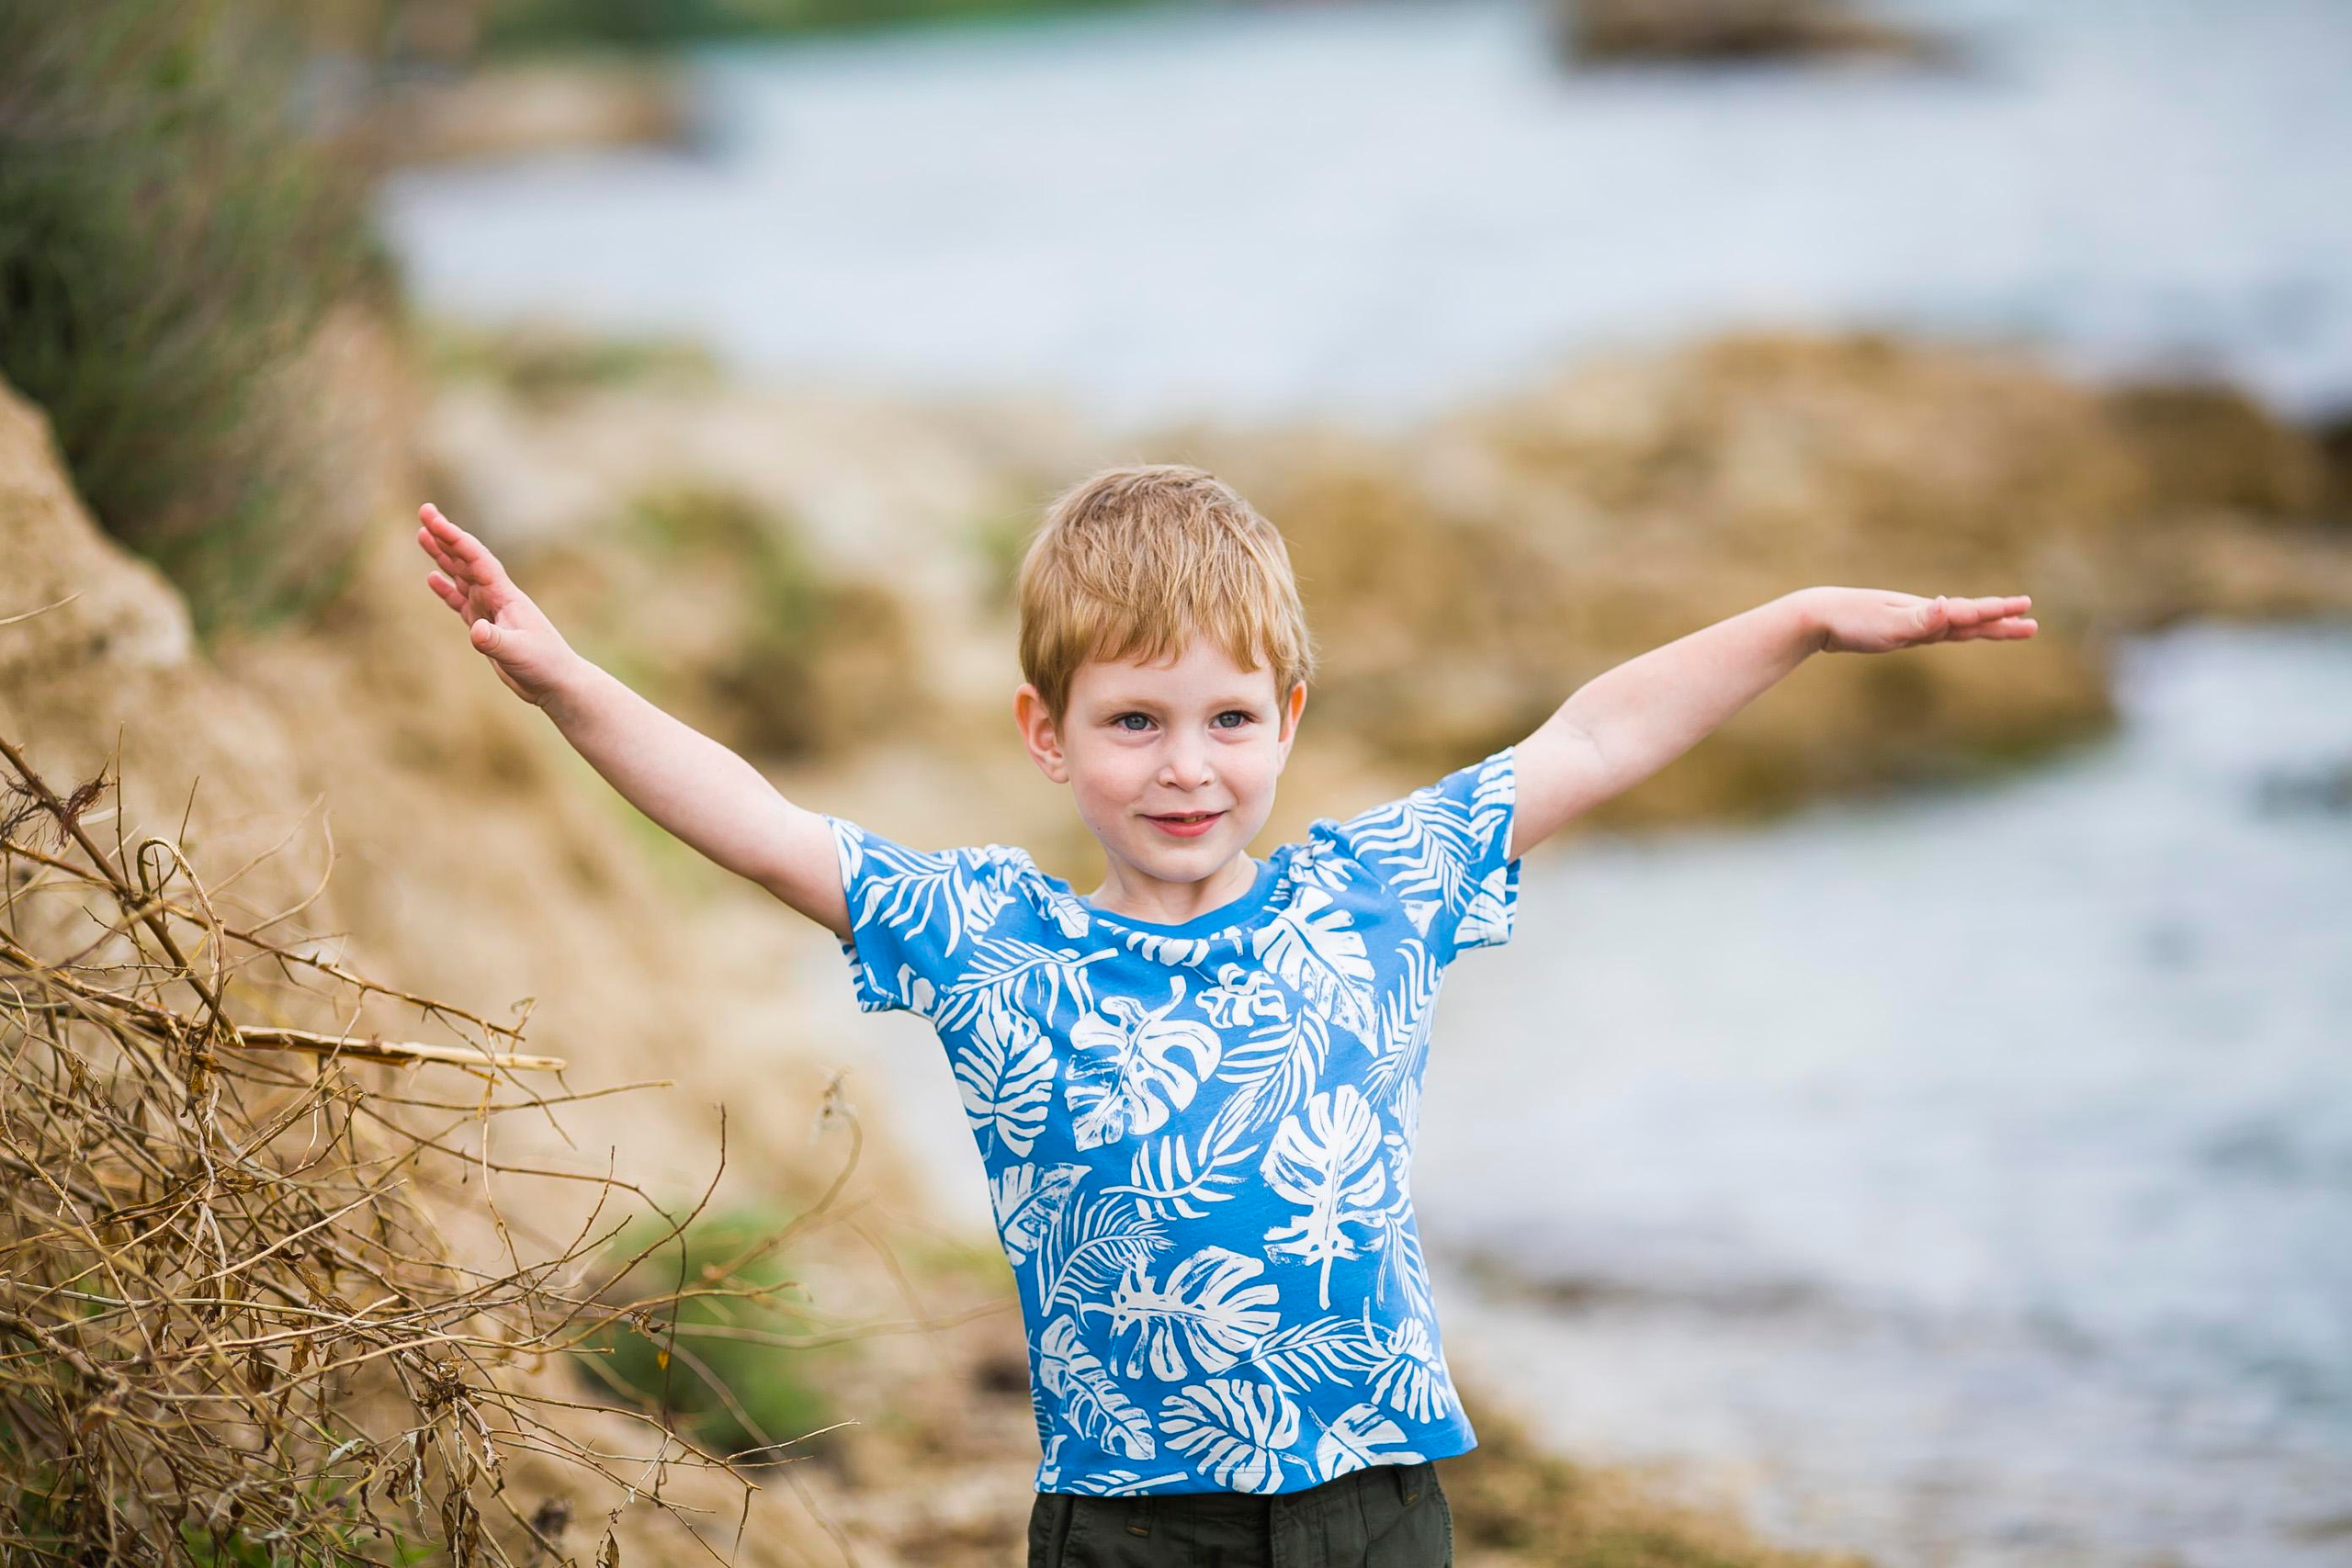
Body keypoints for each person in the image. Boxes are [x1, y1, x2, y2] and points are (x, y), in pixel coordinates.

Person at [413, 466, 2034, 1566]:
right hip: (1128, 1523)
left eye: (1227, 719)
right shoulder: (990, 941)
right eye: (1134, 721)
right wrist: (566, 682)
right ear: (1046, 734)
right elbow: (764, 825)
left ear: (1287, 720)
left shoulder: (1372, 892)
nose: (1185, 766)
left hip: (1369, 1504)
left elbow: (1595, 736)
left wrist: (1798, 621)